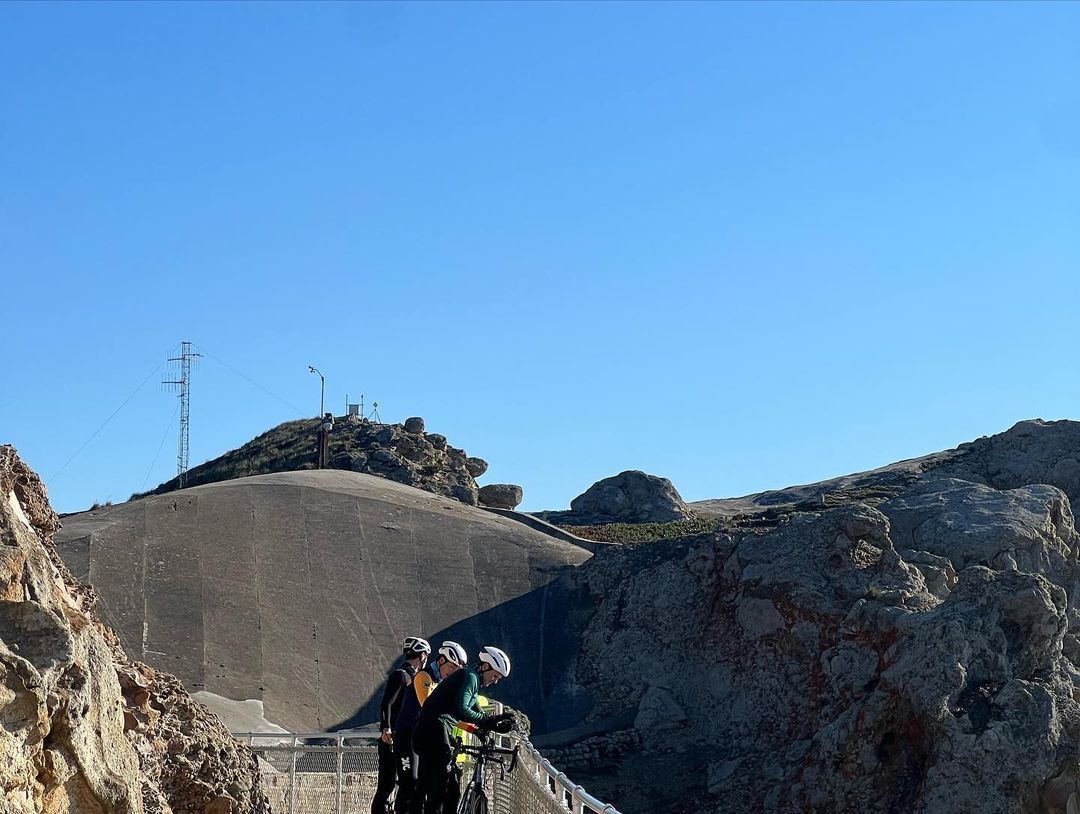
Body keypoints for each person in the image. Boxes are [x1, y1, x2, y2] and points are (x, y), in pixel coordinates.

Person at [411, 646, 515, 814]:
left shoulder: (469, 676)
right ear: (485, 666)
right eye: (495, 676)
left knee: (430, 788)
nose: (495, 681)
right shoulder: (470, 677)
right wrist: (492, 721)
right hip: (435, 730)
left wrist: (488, 727)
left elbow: (477, 712)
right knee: (443, 791)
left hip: (427, 731)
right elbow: (463, 709)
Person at [393, 641, 467, 813]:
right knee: (410, 781)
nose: (453, 672)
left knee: (425, 784)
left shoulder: (441, 682)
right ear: (441, 661)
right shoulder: (424, 677)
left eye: (458, 670)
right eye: (452, 667)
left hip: (423, 738)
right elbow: (429, 708)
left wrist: (471, 727)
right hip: (407, 735)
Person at [371, 636, 431, 814]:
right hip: (392, 738)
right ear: (421, 655)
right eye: (426, 656)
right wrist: (386, 728)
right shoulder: (402, 675)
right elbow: (386, 703)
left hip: (404, 738)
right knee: (387, 785)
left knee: (405, 782)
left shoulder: (416, 677)